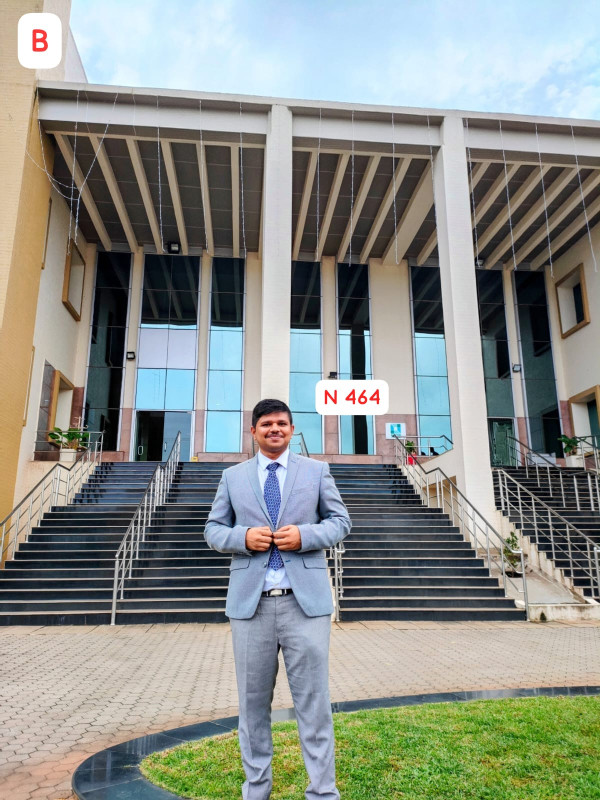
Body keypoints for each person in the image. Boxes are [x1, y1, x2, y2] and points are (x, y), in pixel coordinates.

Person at [204, 398, 351, 800]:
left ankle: (322, 792)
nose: (275, 429)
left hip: (305, 606)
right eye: (266, 423)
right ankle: (256, 790)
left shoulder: (317, 471)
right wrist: (242, 537)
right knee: (252, 705)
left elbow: (341, 522)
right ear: (253, 431)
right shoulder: (232, 477)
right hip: (251, 607)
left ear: (291, 429)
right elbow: (213, 529)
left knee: (313, 703)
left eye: (282, 423)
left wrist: (306, 535)